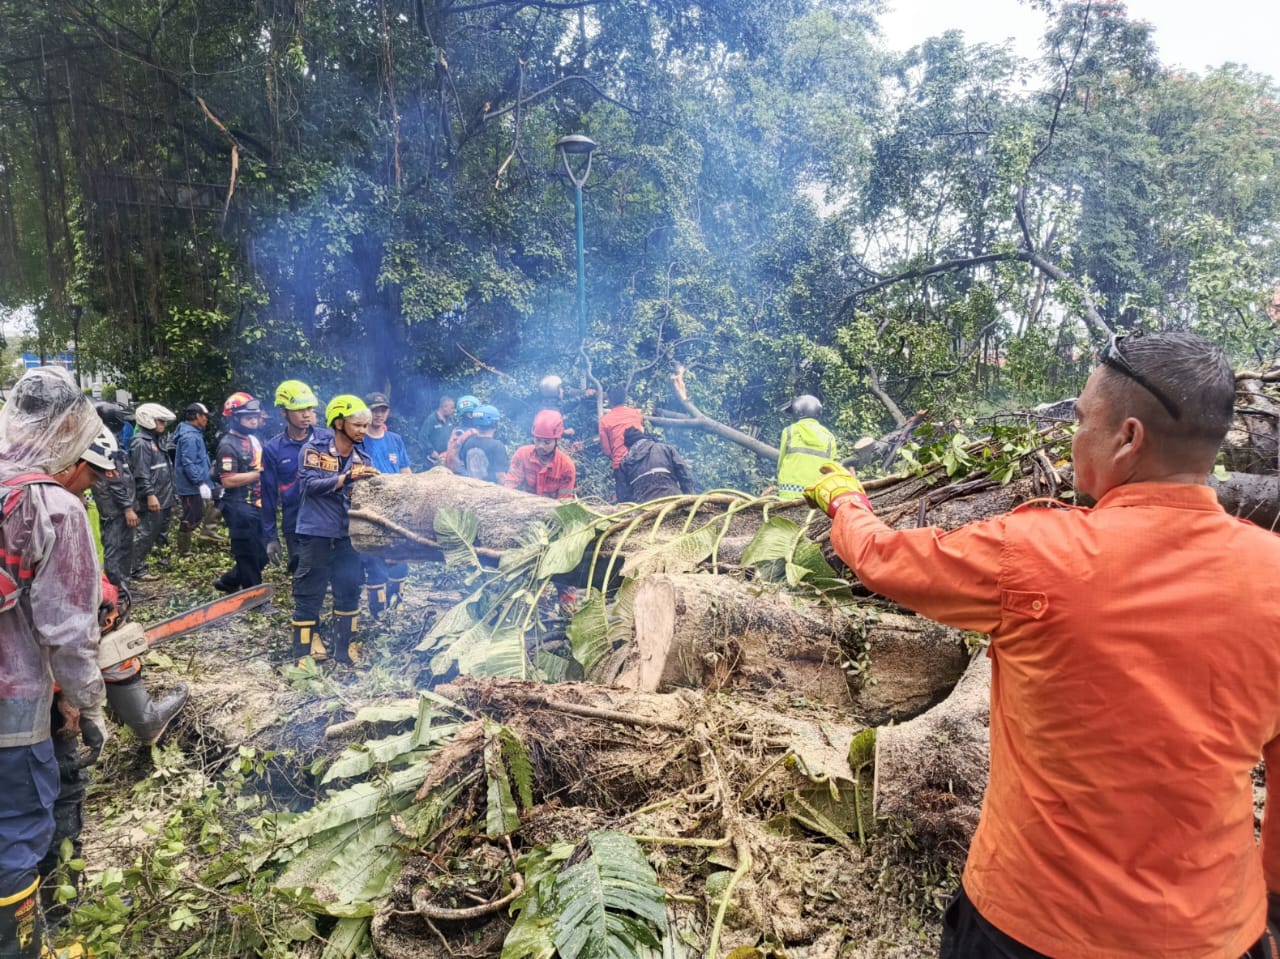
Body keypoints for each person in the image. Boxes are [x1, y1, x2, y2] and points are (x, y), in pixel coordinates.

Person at [803, 331, 1280, 958]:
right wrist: (1268, 905)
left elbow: (883, 559)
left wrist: (846, 502)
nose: (1072, 437)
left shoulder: (1032, 554)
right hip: (1214, 933)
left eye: (1082, 420)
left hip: (1026, 926)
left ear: (1127, 438)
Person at [39, 430, 187, 924]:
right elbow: (57, 611)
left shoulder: (51, 499)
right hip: (40, 676)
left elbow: (82, 571)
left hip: (45, 660)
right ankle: (59, 908)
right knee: (61, 786)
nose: (94, 486)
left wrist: (105, 590)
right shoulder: (50, 505)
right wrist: (79, 699)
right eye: (91, 476)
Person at [0, 367, 106, 958]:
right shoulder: (53, 507)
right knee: (16, 835)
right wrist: (86, 705)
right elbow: (69, 634)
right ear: (69, 423)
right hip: (11, 711)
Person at [291, 395, 378, 666]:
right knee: (309, 589)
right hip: (316, 532)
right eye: (357, 425)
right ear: (338, 423)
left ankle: (344, 648)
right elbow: (310, 485)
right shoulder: (313, 449)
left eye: (366, 426)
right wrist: (347, 478)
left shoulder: (362, 456)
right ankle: (303, 654)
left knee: (349, 586)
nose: (363, 430)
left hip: (346, 534)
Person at [262, 380, 328, 574]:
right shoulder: (273, 450)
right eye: (299, 409)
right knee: (302, 574)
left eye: (309, 408)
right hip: (296, 524)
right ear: (284, 412)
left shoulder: (327, 439)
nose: (306, 414)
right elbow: (268, 495)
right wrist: (270, 537)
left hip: (327, 520)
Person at [359, 392, 412, 617]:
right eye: (374, 410)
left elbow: (405, 470)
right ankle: (377, 609)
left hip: (396, 506)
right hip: (370, 507)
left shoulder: (395, 439)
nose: (379, 414)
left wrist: (411, 494)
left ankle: (396, 602)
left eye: (383, 410)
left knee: (399, 553)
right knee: (374, 557)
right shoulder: (359, 440)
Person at [211, 393, 268, 594]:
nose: (253, 420)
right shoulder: (228, 445)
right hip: (238, 507)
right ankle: (255, 598)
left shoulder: (253, 439)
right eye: (248, 417)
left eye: (255, 416)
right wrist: (258, 474)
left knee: (263, 553)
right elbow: (228, 479)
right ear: (235, 418)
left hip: (256, 504)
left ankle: (229, 581)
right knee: (248, 554)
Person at [128, 403, 177, 581]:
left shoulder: (157, 440)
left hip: (164, 495)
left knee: (161, 531)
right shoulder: (141, 443)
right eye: (160, 421)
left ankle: (161, 561)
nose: (163, 424)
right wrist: (150, 495)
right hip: (152, 497)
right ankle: (137, 568)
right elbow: (141, 474)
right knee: (146, 532)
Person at [91, 402, 138, 589]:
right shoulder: (103, 443)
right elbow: (113, 480)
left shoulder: (111, 438)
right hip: (114, 507)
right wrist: (127, 507)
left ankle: (124, 586)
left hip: (121, 504)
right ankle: (116, 589)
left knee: (126, 546)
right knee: (115, 547)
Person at [504, 410, 576, 500]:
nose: (541, 446)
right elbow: (511, 483)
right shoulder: (522, 454)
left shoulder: (566, 466)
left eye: (547, 442)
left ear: (557, 440)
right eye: (538, 440)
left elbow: (565, 500)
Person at [776, 394, 837, 499]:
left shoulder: (789, 431)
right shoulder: (830, 437)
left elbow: (780, 462)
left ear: (798, 412)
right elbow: (830, 467)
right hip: (816, 494)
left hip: (788, 492)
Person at [172, 402, 214, 555]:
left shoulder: (195, 433)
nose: (206, 420)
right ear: (197, 416)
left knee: (196, 512)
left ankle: (187, 545)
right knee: (191, 514)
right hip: (189, 485)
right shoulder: (189, 437)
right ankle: (183, 549)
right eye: (205, 416)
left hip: (194, 483)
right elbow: (188, 462)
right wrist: (200, 482)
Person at [616, 427, 695, 502]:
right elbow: (685, 475)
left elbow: (623, 496)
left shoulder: (624, 464)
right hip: (673, 499)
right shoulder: (665, 448)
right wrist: (690, 498)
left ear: (628, 447)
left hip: (644, 508)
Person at [598, 386, 644, 500]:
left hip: (620, 464)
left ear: (609, 400)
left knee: (625, 502)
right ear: (625, 398)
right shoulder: (636, 414)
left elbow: (606, 450)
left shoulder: (604, 421)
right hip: (640, 460)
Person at [459, 405, 508, 484]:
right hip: (490, 492)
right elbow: (501, 476)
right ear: (494, 424)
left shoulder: (467, 442)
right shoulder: (497, 446)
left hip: (471, 489)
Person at [443, 395, 481, 474]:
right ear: (470, 415)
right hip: (467, 475)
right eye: (477, 412)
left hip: (454, 472)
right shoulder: (474, 434)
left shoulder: (456, 431)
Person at [425, 395, 455, 465]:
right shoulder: (431, 419)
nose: (453, 410)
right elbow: (422, 437)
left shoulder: (450, 419)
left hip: (447, 458)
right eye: (452, 408)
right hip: (433, 460)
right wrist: (431, 451)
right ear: (444, 407)